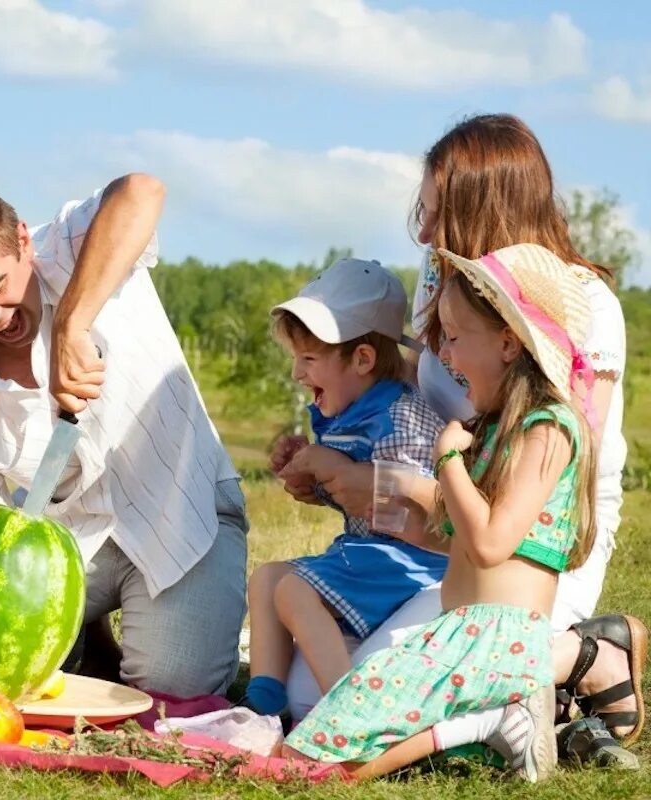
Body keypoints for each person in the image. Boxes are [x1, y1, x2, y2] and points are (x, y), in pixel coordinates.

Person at [283, 114, 642, 765]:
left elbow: (559, 478)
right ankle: (548, 702)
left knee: (352, 702)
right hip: (447, 528)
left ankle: (581, 654)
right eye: (419, 208)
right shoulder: (445, 285)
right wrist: (343, 462)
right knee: (309, 692)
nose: (421, 231)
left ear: (488, 208)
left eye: (437, 210)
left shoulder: (581, 305)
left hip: (530, 549)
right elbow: (417, 397)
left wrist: (416, 490)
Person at [0, 175, 247, 696]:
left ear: (22, 240)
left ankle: (89, 635)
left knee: (172, 687)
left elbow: (141, 191)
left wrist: (71, 325)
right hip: (67, 537)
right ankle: (86, 632)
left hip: (185, 512)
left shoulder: (67, 245)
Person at [282, 242, 596, 781]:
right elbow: (452, 537)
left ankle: (495, 717)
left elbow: (492, 544)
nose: (443, 357)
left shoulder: (547, 429)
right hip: (459, 633)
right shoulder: (495, 430)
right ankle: (489, 728)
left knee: (320, 763)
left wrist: (448, 459)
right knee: (314, 737)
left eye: (452, 338)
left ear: (507, 342)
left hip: (494, 641)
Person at [242, 259, 446, 718]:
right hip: (371, 555)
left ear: (362, 359)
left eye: (309, 359)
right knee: (268, 578)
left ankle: (347, 712)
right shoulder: (351, 408)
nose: (297, 373)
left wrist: (333, 468)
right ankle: (262, 705)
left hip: (410, 562)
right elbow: (352, 494)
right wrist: (313, 480)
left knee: (293, 590)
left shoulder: (400, 416)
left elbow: (423, 511)